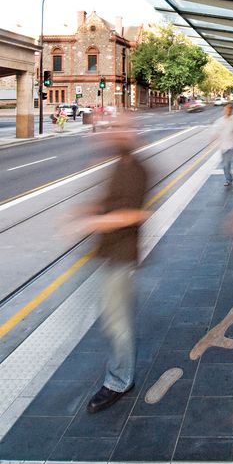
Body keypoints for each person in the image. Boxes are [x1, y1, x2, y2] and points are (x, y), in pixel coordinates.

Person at [79, 116, 149, 413]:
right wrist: (93, 210)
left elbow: (134, 214)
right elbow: (115, 204)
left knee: (118, 322)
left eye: (117, 129)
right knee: (112, 317)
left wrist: (95, 220)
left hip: (122, 253)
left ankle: (120, 380)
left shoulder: (134, 169)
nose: (110, 134)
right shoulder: (120, 164)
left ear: (129, 134)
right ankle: (120, 374)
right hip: (110, 252)